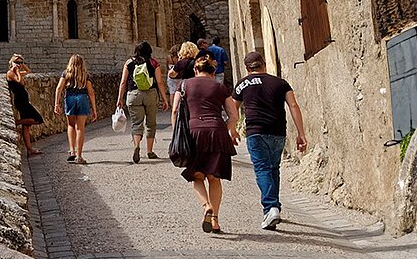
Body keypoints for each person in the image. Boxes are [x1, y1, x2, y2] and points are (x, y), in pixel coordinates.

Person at [233, 51, 308, 230]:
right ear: (264, 64)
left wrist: (232, 130)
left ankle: (270, 207)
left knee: (262, 169)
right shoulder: (280, 83)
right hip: (277, 132)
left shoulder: (242, 84)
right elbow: (293, 105)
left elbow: (233, 109)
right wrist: (301, 133)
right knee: (273, 168)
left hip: (255, 132)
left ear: (246, 68)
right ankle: (275, 206)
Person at [173, 58, 239, 234]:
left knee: (196, 176)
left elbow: (174, 111)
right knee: (214, 178)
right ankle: (215, 220)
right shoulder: (220, 87)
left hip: (193, 132)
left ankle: (206, 206)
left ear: (195, 69)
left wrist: (177, 136)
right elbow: (233, 115)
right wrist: (224, 131)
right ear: (213, 72)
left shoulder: (184, 85)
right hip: (216, 131)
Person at [117, 41, 168, 163]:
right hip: (150, 94)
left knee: (136, 123)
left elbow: (123, 82)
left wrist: (120, 98)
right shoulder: (153, 63)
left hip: (133, 94)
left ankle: (136, 146)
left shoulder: (129, 62)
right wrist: (164, 99)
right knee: (151, 123)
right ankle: (150, 151)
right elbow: (160, 82)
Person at [54, 54, 98, 165]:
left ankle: (72, 151)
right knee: (80, 128)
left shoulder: (65, 74)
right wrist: (94, 109)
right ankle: (79, 156)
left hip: (70, 98)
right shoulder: (85, 75)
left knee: (71, 125)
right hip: (82, 98)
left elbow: (59, 88)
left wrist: (56, 104)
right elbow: (91, 93)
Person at [5, 54, 45, 157]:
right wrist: (17, 70)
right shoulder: (10, 73)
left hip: (24, 100)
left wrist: (22, 65)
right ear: (12, 63)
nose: (19, 64)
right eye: (17, 62)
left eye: (21, 62)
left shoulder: (16, 72)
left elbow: (28, 72)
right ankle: (16, 122)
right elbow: (20, 82)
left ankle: (29, 149)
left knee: (26, 127)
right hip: (21, 101)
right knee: (38, 120)